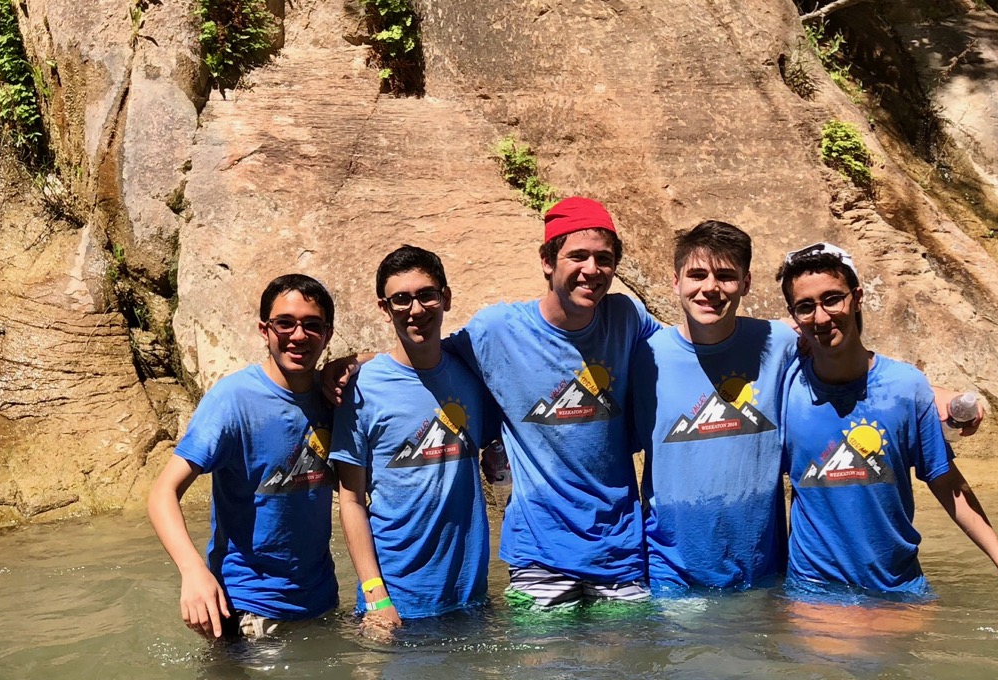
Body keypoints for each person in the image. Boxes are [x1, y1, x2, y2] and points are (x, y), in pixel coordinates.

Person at [777, 243, 998, 598]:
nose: (822, 317)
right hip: (814, 589)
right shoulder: (784, 388)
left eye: (833, 299)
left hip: (899, 585)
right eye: (806, 307)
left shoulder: (907, 387)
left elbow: (945, 481)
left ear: (857, 298)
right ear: (794, 316)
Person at [448, 197, 661, 609]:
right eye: (577, 256)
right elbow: (425, 360)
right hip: (538, 550)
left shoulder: (625, 317)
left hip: (619, 546)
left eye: (604, 258)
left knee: (627, 651)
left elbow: (685, 348)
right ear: (547, 261)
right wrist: (358, 363)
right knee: (545, 652)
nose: (592, 270)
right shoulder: (498, 330)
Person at [147, 274, 339, 640]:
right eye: (285, 323)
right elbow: (162, 493)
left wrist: (354, 362)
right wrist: (192, 571)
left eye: (312, 325)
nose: (298, 335)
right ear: (264, 330)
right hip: (247, 608)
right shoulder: (233, 401)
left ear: (327, 335)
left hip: (321, 601)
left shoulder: (331, 396)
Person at [330, 245, 499, 638]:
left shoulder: (472, 373)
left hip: (470, 600)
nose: (416, 309)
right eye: (401, 299)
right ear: (384, 308)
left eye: (426, 295)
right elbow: (351, 501)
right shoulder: (361, 389)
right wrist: (376, 597)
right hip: (394, 604)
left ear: (446, 297)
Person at [630, 220, 797, 592]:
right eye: (697, 275)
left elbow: (842, 372)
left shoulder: (779, 344)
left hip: (761, 569)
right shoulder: (645, 358)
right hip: (671, 572)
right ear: (676, 282)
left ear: (746, 283)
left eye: (725, 276)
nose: (710, 288)